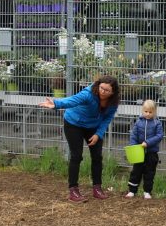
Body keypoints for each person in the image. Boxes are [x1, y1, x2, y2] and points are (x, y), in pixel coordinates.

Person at [39, 74, 121, 203]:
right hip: (74, 124)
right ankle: (73, 190)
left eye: (107, 90)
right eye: (101, 88)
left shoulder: (113, 102)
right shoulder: (88, 93)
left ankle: (97, 188)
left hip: (93, 127)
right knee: (76, 156)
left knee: (97, 157)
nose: (103, 92)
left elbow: (107, 119)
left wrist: (98, 134)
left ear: (113, 92)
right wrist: (55, 104)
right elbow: (72, 100)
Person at [124, 99, 163, 199]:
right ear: (142, 110)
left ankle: (147, 191)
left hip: (151, 153)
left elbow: (159, 136)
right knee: (136, 171)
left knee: (149, 172)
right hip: (139, 153)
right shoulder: (138, 122)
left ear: (154, 112)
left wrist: (148, 142)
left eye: (150, 112)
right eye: (146, 111)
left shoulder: (157, 123)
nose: (148, 114)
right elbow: (134, 134)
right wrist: (133, 145)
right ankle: (132, 191)